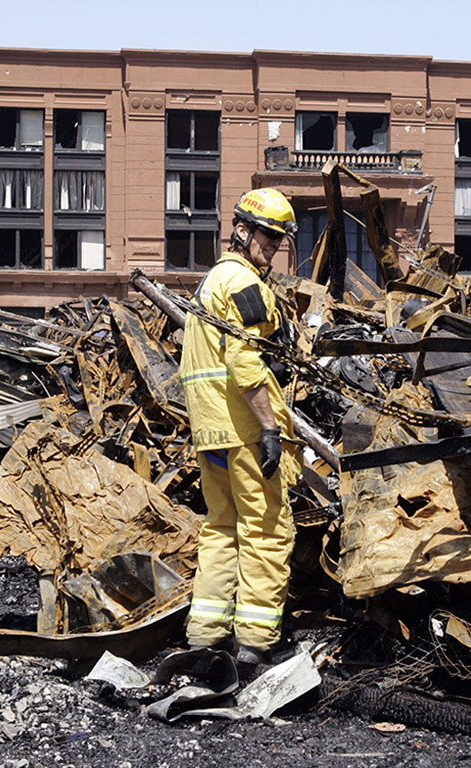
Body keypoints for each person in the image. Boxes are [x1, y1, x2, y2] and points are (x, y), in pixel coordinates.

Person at [179, 187, 300, 666]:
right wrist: (269, 427)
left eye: (279, 239)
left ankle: (205, 635)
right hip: (246, 431)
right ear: (242, 230)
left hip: (209, 432)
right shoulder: (243, 284)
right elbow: (243, 359)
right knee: (266, 529)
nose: (272, 246)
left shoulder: (209, 282)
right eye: (266, 236)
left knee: (221, 529)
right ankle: (255, 641)